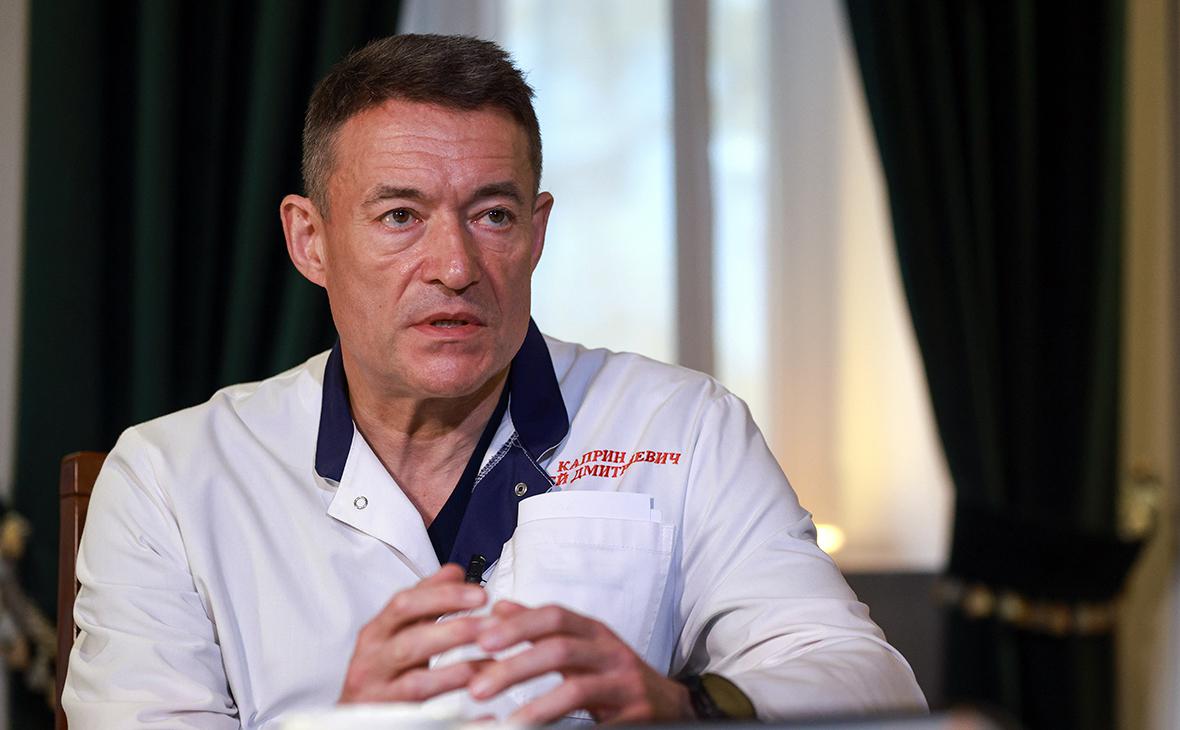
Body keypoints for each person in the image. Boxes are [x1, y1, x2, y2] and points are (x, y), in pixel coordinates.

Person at [62, 34, 927, 728]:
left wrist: (683, 707)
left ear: (537, 232)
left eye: (493, 214)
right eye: (401, 215)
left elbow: (867, 681)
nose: (455, 266)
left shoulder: (682, 425)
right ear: (309, 241)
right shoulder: (170, 477)